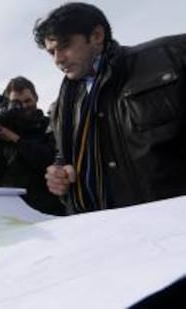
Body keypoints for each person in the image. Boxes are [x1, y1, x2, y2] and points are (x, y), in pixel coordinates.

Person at [33, 2, 186, 213]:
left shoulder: (170, 56)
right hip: (105, 233)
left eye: (65, 45)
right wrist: (59, 178)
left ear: (96, 35)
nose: (58, 59)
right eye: (52, 52)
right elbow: (63, 161)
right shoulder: (61, 109)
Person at [0, 76, 64, 215]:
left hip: (47, 209)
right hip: (11, 210)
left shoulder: (50, 125)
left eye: (28, 100)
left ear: (36, 98)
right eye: (17, 103)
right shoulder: (1, 129)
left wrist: (15, 139)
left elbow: (48, 160)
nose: (24, 106)